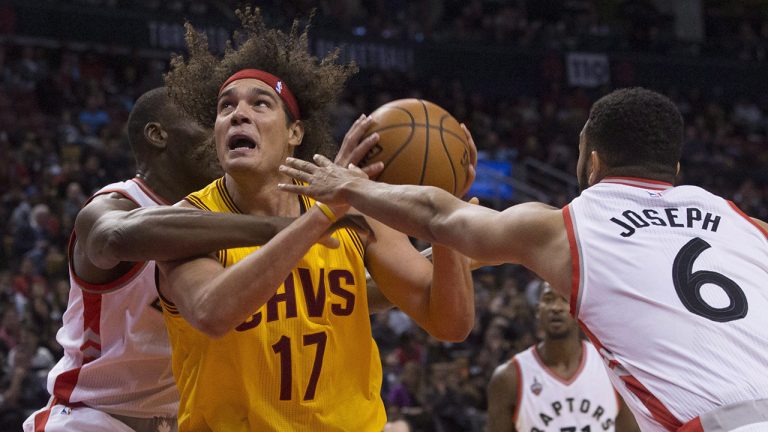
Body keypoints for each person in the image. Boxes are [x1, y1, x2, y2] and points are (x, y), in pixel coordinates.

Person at [280, 87, 768, 431]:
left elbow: (435, 213)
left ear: (592, 162)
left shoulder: (567, 227)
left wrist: (350, 187)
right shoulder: (747, 226)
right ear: (676, 170)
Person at [157, 8, 476, 431]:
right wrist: (326, 212)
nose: (238, 114)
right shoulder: (188, 220)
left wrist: (443, 216)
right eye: (226, 107)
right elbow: (213, 313)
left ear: (295, 133)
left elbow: (449, 322)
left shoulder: (357, 211)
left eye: (260, 104)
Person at [23, 87, 365, 432]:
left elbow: (334, 293)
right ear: (158, 135)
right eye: (211, 117)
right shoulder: (117, 203)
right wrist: (285, 227)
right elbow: (111, 237)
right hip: (90, 417)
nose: (226, 125)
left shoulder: (220, 220)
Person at [487, 282, 638, 431]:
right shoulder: (508, 378)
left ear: (581, 309)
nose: (556, 307)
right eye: (548, 299)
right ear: (537, 310)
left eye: (565, 299)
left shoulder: (610, 368)